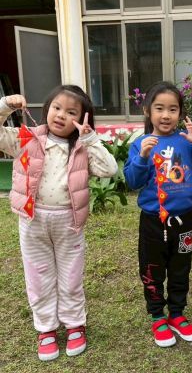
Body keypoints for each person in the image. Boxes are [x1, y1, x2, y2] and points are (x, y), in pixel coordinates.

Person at [0, 86, 118, 361]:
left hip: (69, 223)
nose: (62, 115)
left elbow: (110, 169)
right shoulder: (27, 137)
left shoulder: (81, 148)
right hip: (33, 222)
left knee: (71, 277)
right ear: (47, 109)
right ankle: (46, 329)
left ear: (83, 118)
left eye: (71, 112)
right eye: (57, 107)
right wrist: (5, 105)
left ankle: (75, 324)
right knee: (38, 277)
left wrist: (90, 139)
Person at [123, 81, 192, 348]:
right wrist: (142, 156)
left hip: (184, 219)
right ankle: (157, 316)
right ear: (147, 111)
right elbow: (132, 181)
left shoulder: (186, 140)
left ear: (180, 113)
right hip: (153, 220)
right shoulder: (140, 144)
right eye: (159, 108)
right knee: (152, 269)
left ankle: (176, 313)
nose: (166, 115)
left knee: (180, 267)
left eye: (173, 109)